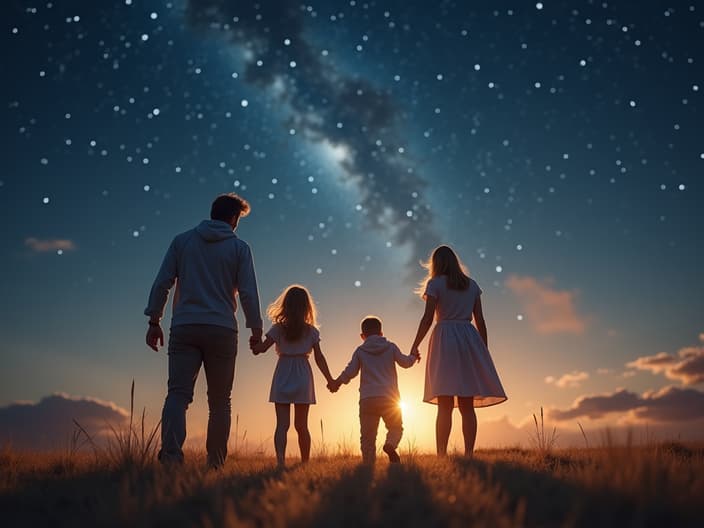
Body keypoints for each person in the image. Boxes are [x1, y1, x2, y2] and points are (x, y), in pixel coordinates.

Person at [144, 193, 263, 468]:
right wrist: (255, 329)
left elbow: (163, 282)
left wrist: (154, 320)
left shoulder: (182, 241)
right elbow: (248, 292)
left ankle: (171, 458)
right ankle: (215, 463)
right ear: (233, 218)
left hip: (185, 325)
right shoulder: (240, 248)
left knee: (178, 394)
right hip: (222, 329)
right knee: (220, 401)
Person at [410, 245, 507, 457]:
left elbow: (427, 318)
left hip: (445, 339)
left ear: (435, 264)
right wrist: (483, 350)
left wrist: (415, 344)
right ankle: (469, 454)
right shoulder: (471, 285)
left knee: (444, 404)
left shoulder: (435, 284)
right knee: (466, 404)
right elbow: (480, 320)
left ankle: (442, 454)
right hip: (469, 339)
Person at [251, 285, 334, 467]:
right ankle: (305, 462)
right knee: (302, 426)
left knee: (282, 425)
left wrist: (254, 345)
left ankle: (280, 462)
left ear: (286, 305)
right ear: (306, 307)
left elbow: (261, 349)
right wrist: (330, 380)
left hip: (283, 372)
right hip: (303, 375)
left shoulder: (278, 329)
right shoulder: (311, 331)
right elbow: (319, 358)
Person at [329, 316, 419, 464]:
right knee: (396, 427)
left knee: (367, 437)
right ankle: (390, 444)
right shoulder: (391, 347)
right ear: (381, 333)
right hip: (390, 399)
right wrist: (414, 356)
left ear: (362, 336)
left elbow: (350, 371)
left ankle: (368, 465)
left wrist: (336, 383)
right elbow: (405, 362)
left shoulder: (360, 350)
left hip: (367, 399)